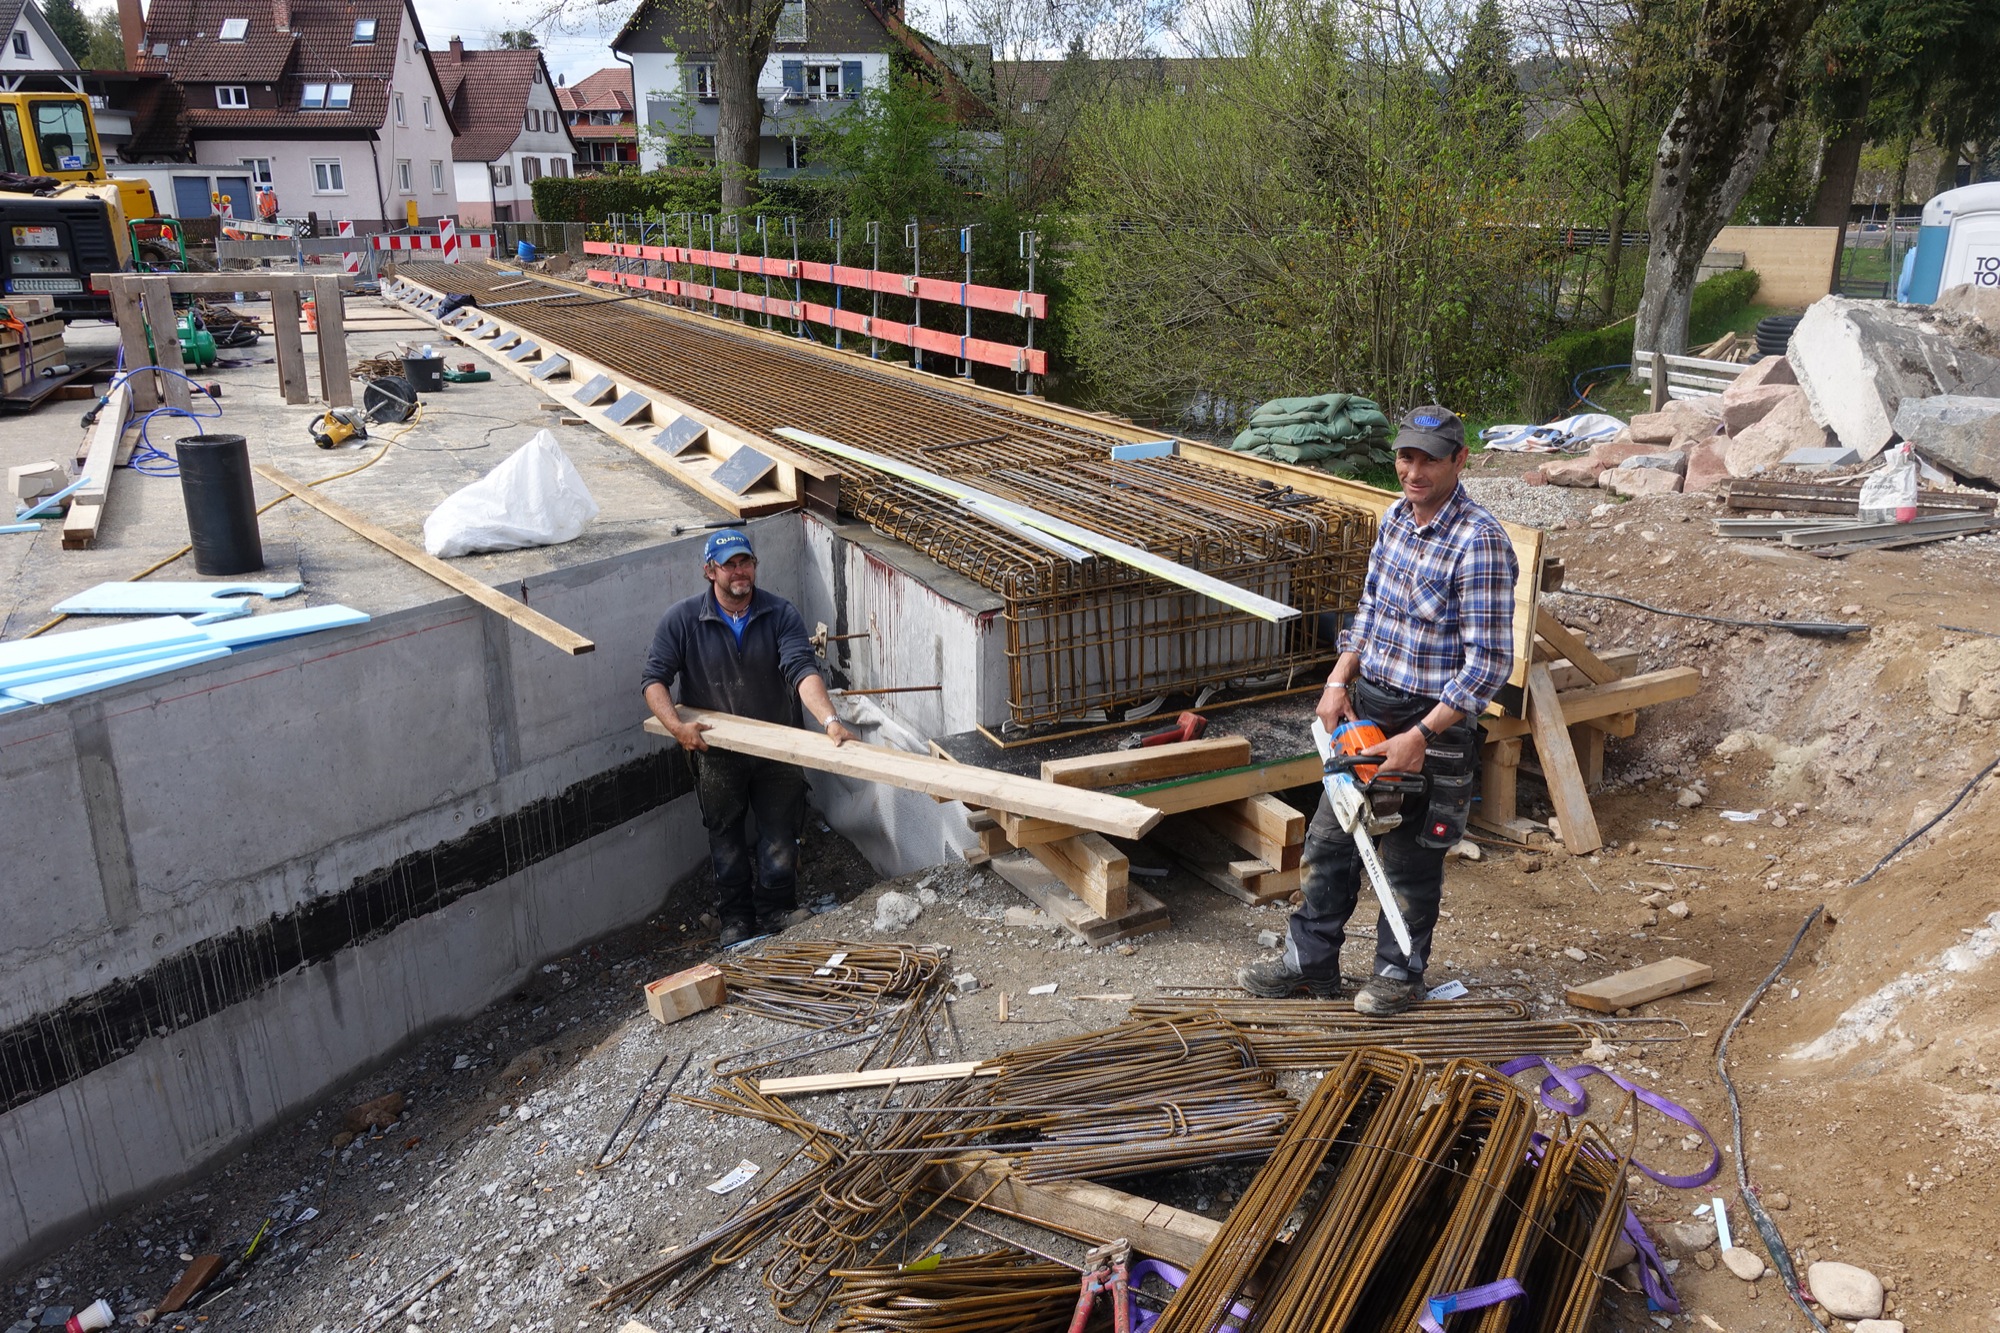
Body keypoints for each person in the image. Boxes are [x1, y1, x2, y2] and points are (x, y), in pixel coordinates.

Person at [1238, 405, 1519, 1016]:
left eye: (1429, 460)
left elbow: (1490, 662)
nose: (1414, 472)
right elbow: (1369, 610)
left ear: (1460, 460)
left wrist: (1423, 734)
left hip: (1432, 725)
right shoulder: (1394, 518)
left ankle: (1399, 974)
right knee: (1329, 841)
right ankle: (1309, 965)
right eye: (1405, 457)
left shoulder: (1480, 542)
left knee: (1411, 858)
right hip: (1368, 710)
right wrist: (1339, 678)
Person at [642, 530, 856, 947]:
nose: (740, 571)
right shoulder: (682, 619)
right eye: (730, 565)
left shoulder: (779, 613)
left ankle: (776, 908)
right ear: (710, 571)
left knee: (780, 830)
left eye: (746, 562)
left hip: (777, 744)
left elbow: (801, 669)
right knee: (725, 835)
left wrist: (830, 720)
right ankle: (736, 918)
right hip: (715, 749)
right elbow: (654, 680)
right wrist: (677, 728)